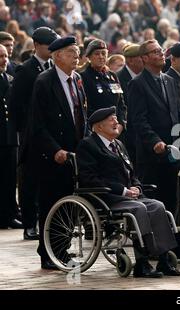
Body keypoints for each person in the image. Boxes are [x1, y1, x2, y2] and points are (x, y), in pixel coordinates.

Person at [76, 107, 180, 278]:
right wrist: (123, 190)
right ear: (99, 126)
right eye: (111, 119)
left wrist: (137, 187)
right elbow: (89, 179)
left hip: (128, 197)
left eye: (116, 118)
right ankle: (142, 262)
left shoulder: (119, 145)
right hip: (106, 197)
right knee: (138, 209)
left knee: (157, 206)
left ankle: (163, 258)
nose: (116, 122)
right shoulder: (88, 146)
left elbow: (132, 174)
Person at [30, 36, 88, 270]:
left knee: (70, 204)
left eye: (77, 51)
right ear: (57, 56)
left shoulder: (78, 80)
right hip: (52, 153)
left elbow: (82, 114)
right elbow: (38, 124)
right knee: (51, 202)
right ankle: (48, 253)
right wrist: (54, 150)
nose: (76, 56)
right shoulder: (44, 81)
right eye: (71, 52)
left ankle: (61, 250)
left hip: (75, 152)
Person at [128, 39, 180, 215]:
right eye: (155, 51)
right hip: (152, 155)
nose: (161, 53)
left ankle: (172, 239)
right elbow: (138, 120)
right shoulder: (137, 84)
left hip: (173, 151)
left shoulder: (169, 81)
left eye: (161, 50)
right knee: (154, 202)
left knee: (172, 200)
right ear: (144, 58)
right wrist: (155, 141)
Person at [9, 27, 59, 240]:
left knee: (47, 181)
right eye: (48, 45)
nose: (51, 48)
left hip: (50, 132)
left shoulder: (54, 68)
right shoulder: (26, 70)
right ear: (37, 45)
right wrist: (25, 129)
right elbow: (15, 104)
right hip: (32, 134)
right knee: (30, 181)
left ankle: (45, 222)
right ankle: (30, 223)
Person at [80, 39, 127, 130]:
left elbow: (121, 104)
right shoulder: (84, 77)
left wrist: (121, 124)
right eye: (97, 54)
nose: (101, 57)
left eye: (103, 53)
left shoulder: (112, 76)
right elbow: (86, 108)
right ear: (89, 57)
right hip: (98, 128)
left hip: (117, 127)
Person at [0, 44, 21, 230]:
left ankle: (9, 213)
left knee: (9, 178)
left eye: (5, 56)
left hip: (10, 136)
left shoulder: (9, 77)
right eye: (0, 56)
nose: (4, 60)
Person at [116, 43, 144, 165]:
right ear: (131, 60)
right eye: (141, 57)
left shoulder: (144, 76)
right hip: (128, 133)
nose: (144, 60)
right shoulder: (118, 78)